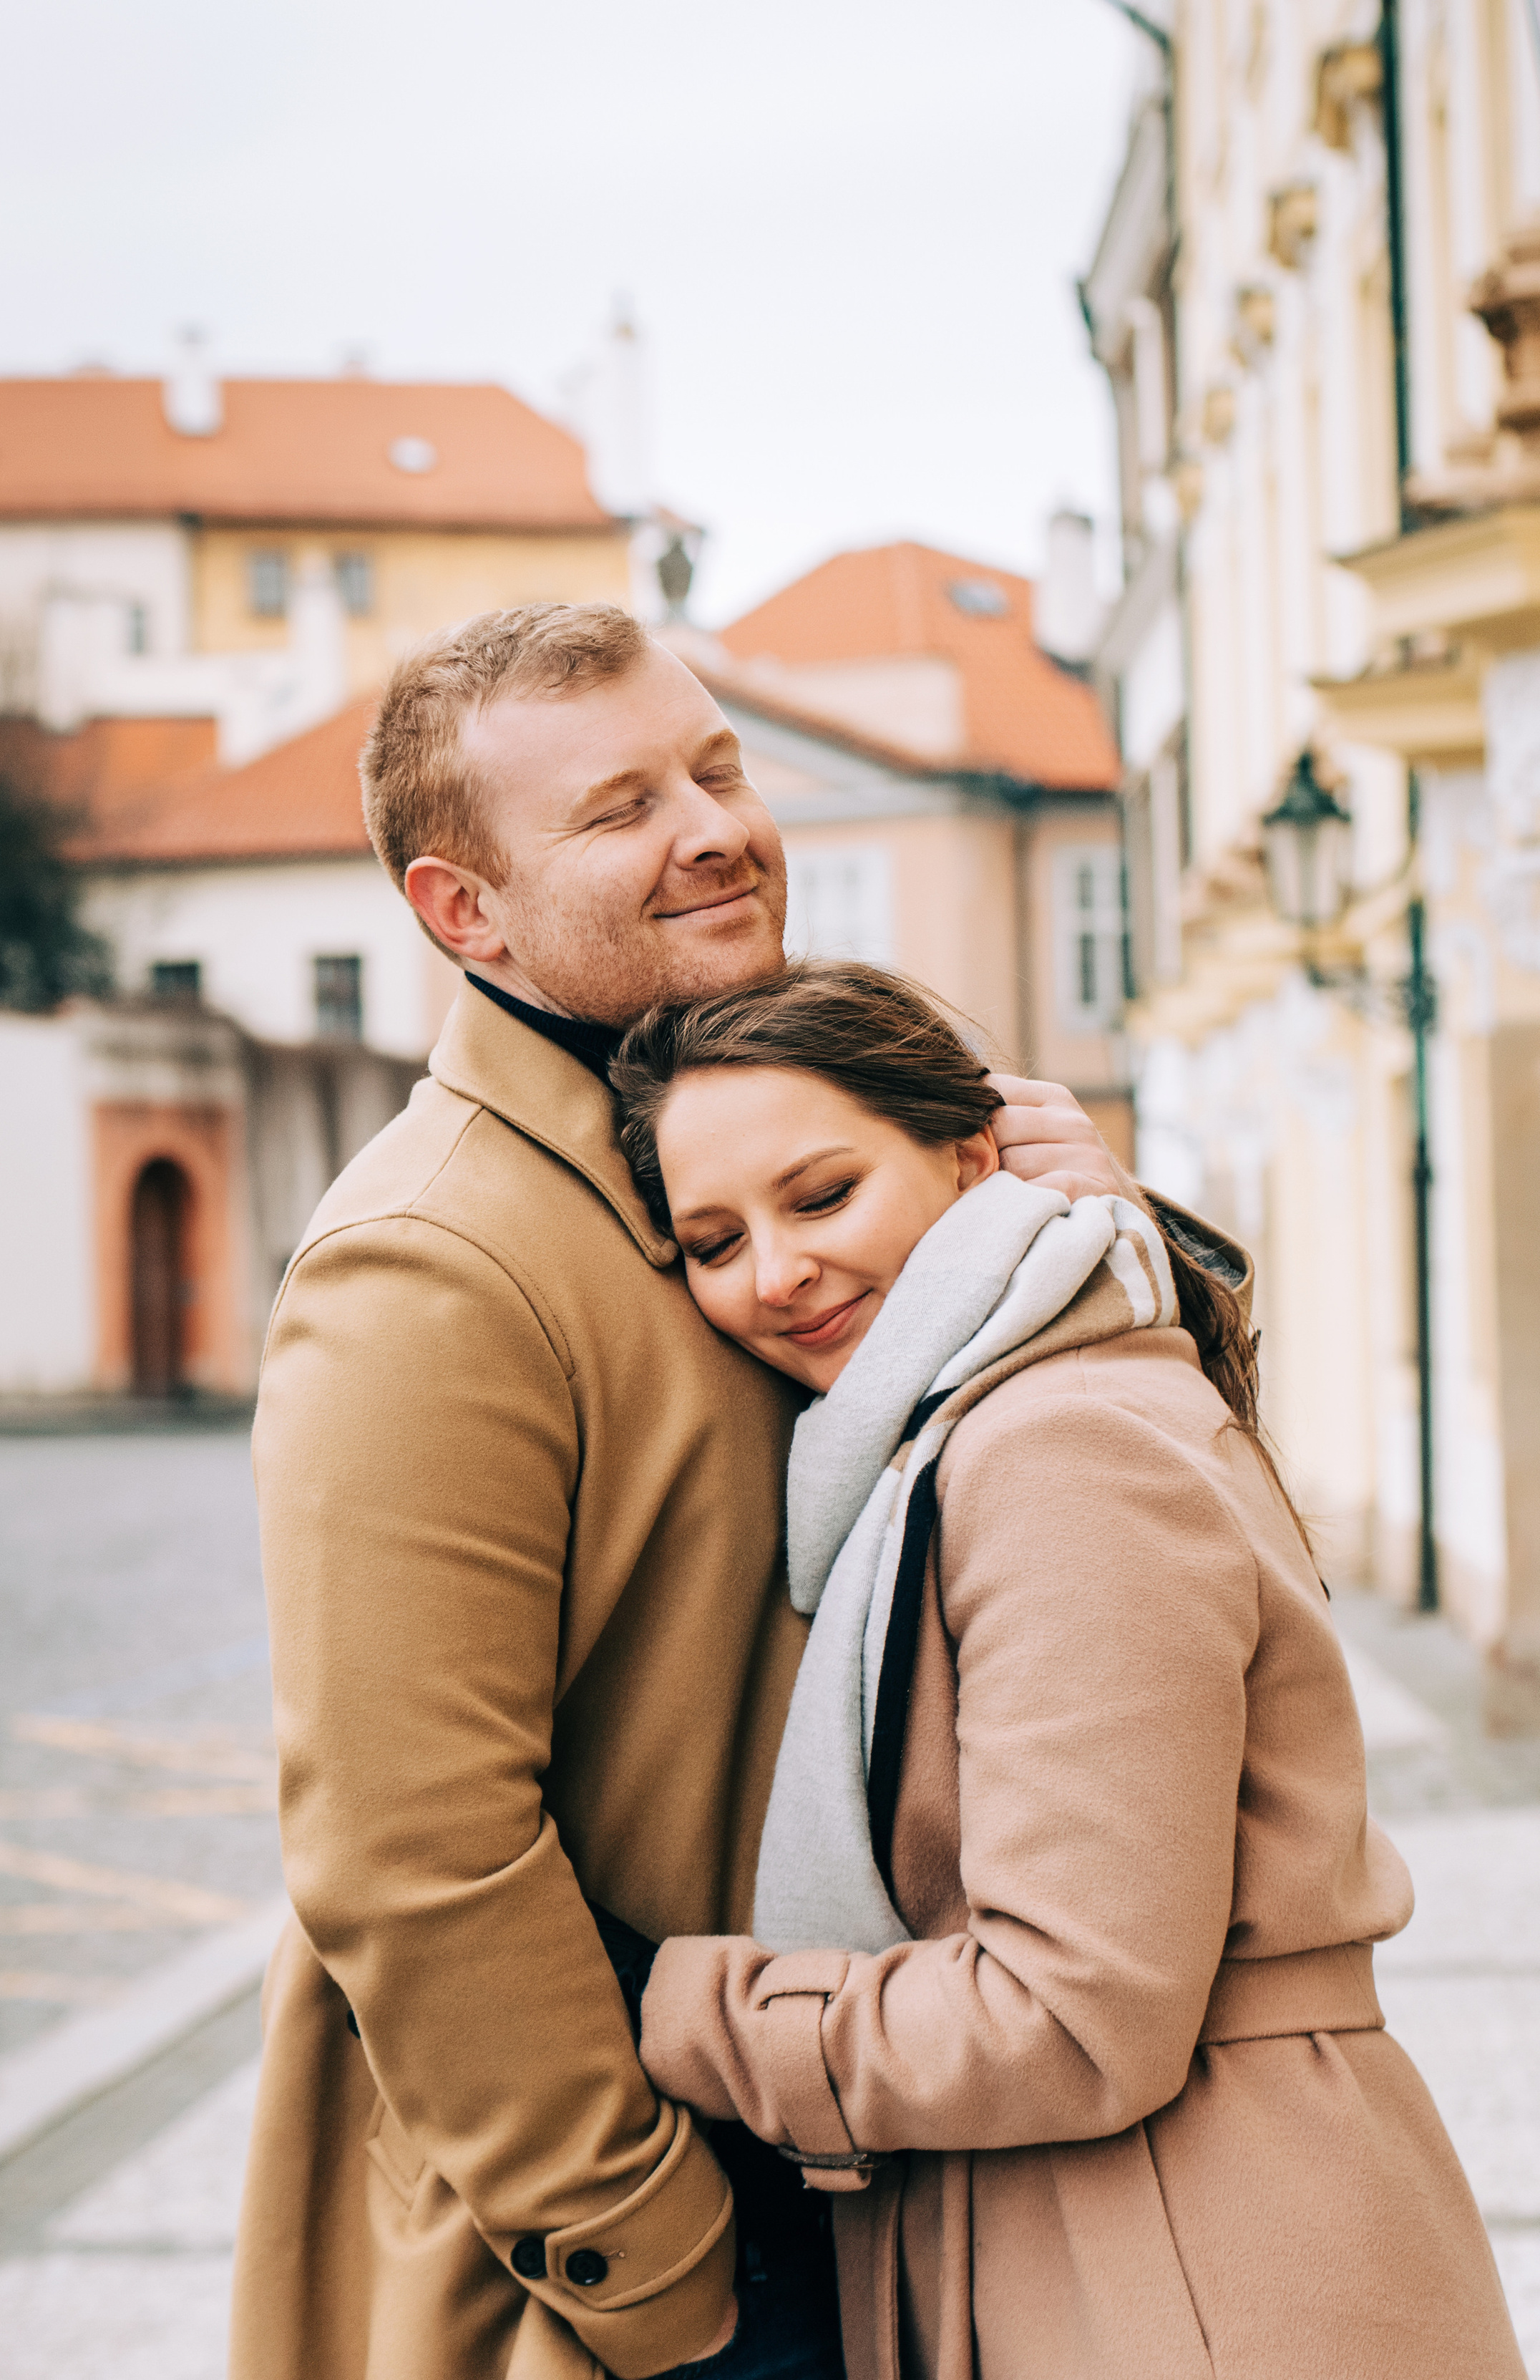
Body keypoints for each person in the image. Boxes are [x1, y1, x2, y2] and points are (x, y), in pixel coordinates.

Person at [229, 605, 1218, 2380]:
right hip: (633, 2256)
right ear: (466, 912)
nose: (714, 827)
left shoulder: (781, 1140)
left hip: (874, 2139)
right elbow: (413, 1848)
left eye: (716, 768)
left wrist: (1101, 1260)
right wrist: (674, 2278)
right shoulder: (429, 1264)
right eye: (617, 809)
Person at [608, 959, 1524, 2380]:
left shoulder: (1052, 1445)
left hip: (1195, 2257)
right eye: (711, 1241)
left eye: (821, 1194)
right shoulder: (975, 1416)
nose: (774, 1273)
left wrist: (676, 2006)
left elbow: (1071, 2012)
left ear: (972, 1157)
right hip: (1125, 2234)